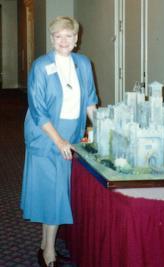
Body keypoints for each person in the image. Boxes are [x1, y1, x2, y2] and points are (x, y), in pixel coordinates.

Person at [20, 16, 98, 267]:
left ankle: (44, 245)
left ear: (76, 39)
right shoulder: (41, 66)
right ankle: (49, 253)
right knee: (53, 194)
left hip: (71, 135)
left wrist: (103, 129)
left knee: (54, 191)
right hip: (45, 135)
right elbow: (38, 111)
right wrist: (59, 141)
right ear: (52, 39)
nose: (63, 41)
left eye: (68, 36)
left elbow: (90, 102)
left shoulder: (83, 63)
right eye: (58, 36)